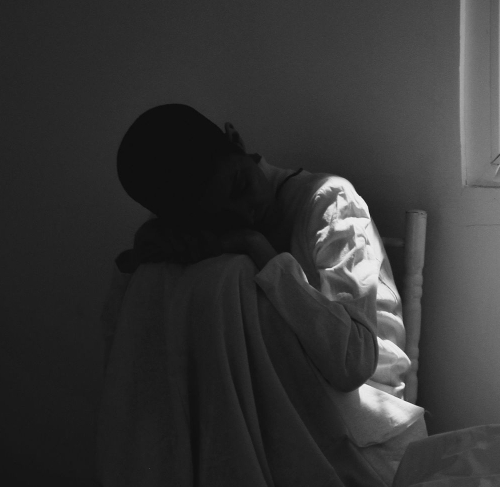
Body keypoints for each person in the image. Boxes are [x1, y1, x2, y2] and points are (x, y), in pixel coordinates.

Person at [114, 102, 412, 399]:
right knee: (157, 277)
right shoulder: (195, 218)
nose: (245, 214)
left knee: (228, 273)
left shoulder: (330, 201)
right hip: (276, 396)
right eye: (219, 217)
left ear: (236, 140)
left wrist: (258, 249)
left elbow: (353, 362)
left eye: (240, 186)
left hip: (363, 402)